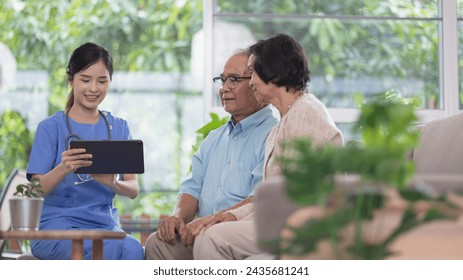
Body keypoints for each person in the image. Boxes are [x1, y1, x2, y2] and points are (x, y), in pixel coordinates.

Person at [193, 33, 344, 259]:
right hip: (282, 219)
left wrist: (232, 217)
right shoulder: (283, 123)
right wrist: (231, 216)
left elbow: (290, 194)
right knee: (212, 232)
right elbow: (274, 195)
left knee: (213, 237)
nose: (251, 80)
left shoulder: (306, 112)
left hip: (303, 224)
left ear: (272, 71)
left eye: (253, 71)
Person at [144, 49, 280, 260]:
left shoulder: (275, 134)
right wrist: (177, 218)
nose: (224, 88)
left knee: (213, 239)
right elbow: (191, 189)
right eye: (222, 80)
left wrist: (210, 222)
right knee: (157, 244)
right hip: (201, 232)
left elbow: (259, 200)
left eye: (234, 79)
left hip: (241, 234)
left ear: (257, 83)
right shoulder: (213, 139)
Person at [26, 42, 144, 260]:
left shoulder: (119, 127)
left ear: (110, 81)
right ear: (70, 79)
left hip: (104, 225)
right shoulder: (51, 127)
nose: (93, 89)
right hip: (57, 226)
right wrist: (63, 168)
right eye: (85, 79)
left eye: (102, 81)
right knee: (106, 250)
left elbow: (133, 188)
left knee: (134, 250)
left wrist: (112, 183)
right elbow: (34, 191)